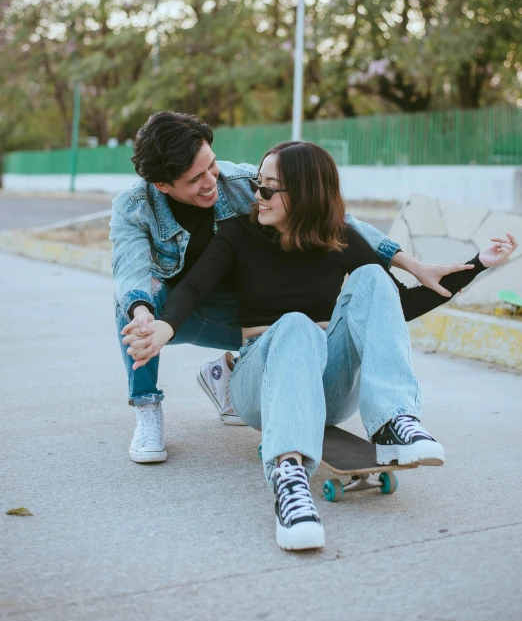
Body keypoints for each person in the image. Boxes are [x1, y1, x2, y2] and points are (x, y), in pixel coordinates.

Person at [122, 141, 517, 551]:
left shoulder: (340, 236)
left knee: (375, 280)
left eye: (270, 188)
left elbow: (397, 306)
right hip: (261, 387)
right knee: (296, 325)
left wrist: (480, 264)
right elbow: (194, 287)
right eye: (259, 183)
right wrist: (165, 327)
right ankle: (290, 485)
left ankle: (394, 420)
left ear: (306, 193)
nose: (258, 195)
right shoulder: (237, 234)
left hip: (331, 386)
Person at [111, 112, 473, 464]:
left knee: (310, 316)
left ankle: (395, 421)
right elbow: (134, 274)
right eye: (195, 179)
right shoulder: (135, 207)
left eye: (211, 164)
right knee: (132, 307)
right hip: (184, 309)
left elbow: (330, 214)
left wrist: (409, 263)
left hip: (241, 309)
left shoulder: (240, 181)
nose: (210, 181)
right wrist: (147, 317)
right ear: (163, 185)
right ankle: (147, 408)